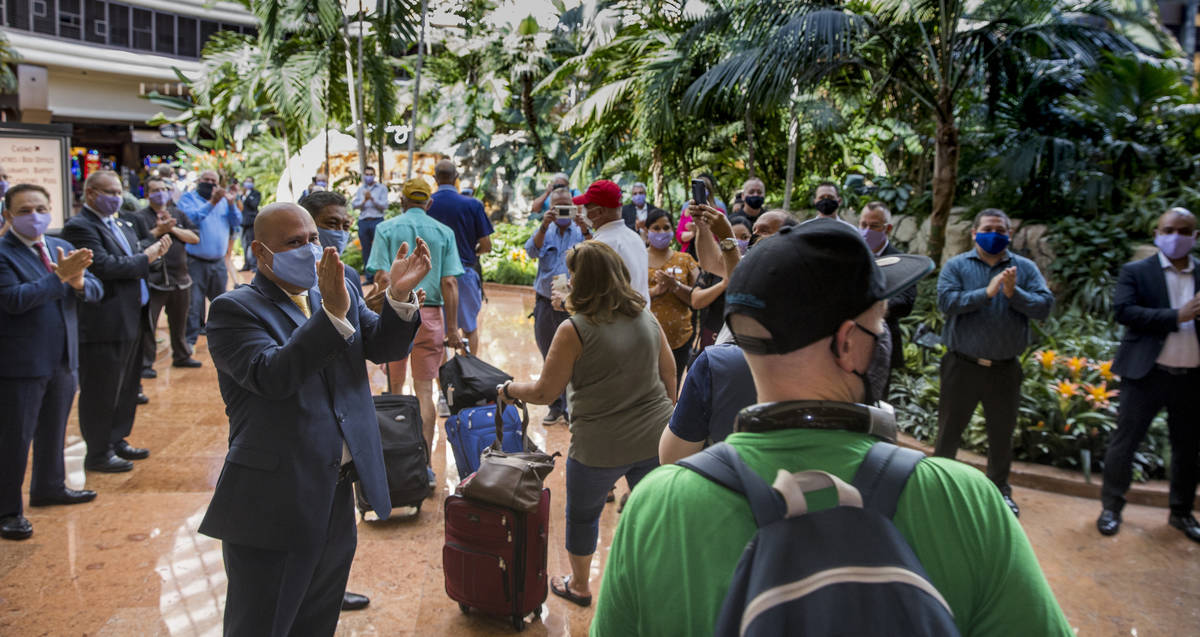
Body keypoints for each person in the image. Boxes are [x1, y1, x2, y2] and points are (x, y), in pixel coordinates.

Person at [591, 219, 1073, 637]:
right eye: (877, 327)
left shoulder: (658, 506)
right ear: (848, 345)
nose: (881, 339)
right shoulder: (965, 501)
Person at [200, 202, 428, 636]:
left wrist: (398, 297)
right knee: (263, 622)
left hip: (335, 489)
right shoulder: (235, 310)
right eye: (295, 242)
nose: (311, 249)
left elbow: (382, 347)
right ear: (262, 253)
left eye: (314, 239)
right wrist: (332, 317)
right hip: (274, 497)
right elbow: (272, 375)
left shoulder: (336, 291)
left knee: (317, 616)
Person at [499, 240, 675, 609]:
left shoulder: (574, 329)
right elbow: (669, 372)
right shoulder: (646, 316)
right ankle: (653, 583)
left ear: (582, 280)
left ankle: (579, 586)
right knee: (653, 514)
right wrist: (663, 416)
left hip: (599, 445)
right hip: (655, 438)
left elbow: (546, 392)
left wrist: (510, 388)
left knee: (583, 516)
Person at [933, 208, 1053, 517]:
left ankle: (1001, 491)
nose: (995, 234)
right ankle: (937, 488)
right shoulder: (957, 266)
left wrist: (1014, 294)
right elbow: (947, 302)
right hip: (962, 365)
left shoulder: (1024, 268)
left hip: (1004, 369)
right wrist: (985, 294)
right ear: (974, 233)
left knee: (1001, 434)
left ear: (1009, 235)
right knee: (948, 432)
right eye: (988, 228)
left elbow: (1043, 307)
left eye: (1002, 229)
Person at [0, 184, 103, 541]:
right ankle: (8, 510)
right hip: (21, 361)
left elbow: (93, 289)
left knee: (54, 429)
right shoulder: (3, 253)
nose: (35, 216)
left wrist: (77, 283)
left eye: (41, 208)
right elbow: (13, 300)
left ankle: (49, 486)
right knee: (14, 438)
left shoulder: (61, 246)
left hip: (63, 356)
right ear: (8, 216)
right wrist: (59, 277)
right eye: (25, 210)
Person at [1097, 208, 1200, 542]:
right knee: (1124, 443)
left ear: (1195, 237)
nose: (1175, 236)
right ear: (1156, 234)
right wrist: (1176, 315)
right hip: (1146, 375)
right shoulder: (1137, 272)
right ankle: (1111, 508)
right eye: (1168, 229)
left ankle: (1181, 513)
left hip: (1191, 379)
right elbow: (1124, 312)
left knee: (1188, 448)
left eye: (1184, 230)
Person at [63, 170, 171, 473]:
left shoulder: (123, 222)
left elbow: (137, 258)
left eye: (118, 191)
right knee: (102, 387)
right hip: (104, 320)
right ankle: (98, 452)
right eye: (109, 192)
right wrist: (147, 257)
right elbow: (106, 267)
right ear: (91, 193)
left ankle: (117, 437)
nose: (117, 197)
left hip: (134, 314)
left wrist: (153, 256)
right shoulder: (80, 227)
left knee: (126, 385)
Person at [367, 178, 464, 484]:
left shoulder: (386, 229)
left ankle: (397, 462)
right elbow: (450, 282)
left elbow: (383, 278)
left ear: (402, 201)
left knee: (396, 391)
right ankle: (424, 465)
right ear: (429, 203)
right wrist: (452, 329)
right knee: (425, 391)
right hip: (431, 315)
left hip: (395, 314)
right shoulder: (444, 232)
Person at [525, 188, 589, 425]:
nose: (562, 211)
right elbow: (530, 251)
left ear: (573, 207)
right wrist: (543, 225)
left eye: (566, 206)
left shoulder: (581, 231)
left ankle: (573, 408)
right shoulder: (546, 230)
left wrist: (585, 228)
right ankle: (555, 406)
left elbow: (596, 253)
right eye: (557, 206)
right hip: (545, 303)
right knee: (549, 356)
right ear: (550, 208)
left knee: (576, 356)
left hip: (574, 304)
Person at [129, 178, 202, 373]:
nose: (160, 193)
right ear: (147, 194)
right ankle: (145, 363)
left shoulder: (178, 214)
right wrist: (158, 231)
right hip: (153, 281)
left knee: (180, 323)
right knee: (149, 324)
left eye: (163, 189)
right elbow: (135, 245)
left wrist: (172, 229)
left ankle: (182, 356)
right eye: (155, 190)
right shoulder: (139, 218)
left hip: (180, 279)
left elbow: (194, 237)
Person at [427, 159, 494, 354]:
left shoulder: (428, 205)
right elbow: (486, 245)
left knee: (436, 331)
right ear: (456, 178)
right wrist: (473, 252)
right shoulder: (473, 205)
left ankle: (442, 380)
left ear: (435, 178)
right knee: (469, 328)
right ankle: (470, 374)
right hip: (464, 274)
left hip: (432, 276)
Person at [859, 201, 917, 396]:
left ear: (888, 228)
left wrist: (870, 305)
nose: (867, 231)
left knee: (876, 402)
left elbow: (906, 303)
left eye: (874, 226)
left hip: (882, 344)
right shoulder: (852, 255)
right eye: (863, 225)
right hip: (850, 343)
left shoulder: (901, 261)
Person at [177, 170, 241, 348]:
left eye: (214, 180)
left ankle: (224, 340)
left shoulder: (224, 201)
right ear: (199, 181)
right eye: (206, 180)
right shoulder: (188, 199)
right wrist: (212, 202)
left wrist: (230, 203)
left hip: (218, 262)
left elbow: (237, 222)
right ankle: (188, 344)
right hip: (195, 261)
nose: (210, 183)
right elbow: (190, 219)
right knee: (193, 304)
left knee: (221, 302)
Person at [645, 208, 699, 387]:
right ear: (646, 231)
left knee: (672, 389)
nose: (661, 232)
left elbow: (698, 298)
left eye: (666, 227)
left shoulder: (685, 260)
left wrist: (675, 286)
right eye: (656, 228)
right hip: (645, 339)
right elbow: (627, 295)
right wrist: (655, 291)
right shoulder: (637, 259)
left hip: (680, 339)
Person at [575, 179, 650, 303]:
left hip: (615, 320)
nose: (583, 211)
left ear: (599, 212)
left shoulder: (602, 245)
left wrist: (565, 300)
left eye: (586, 207)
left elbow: (593, 297)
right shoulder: (634, 237)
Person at [299, 191, 363, 295]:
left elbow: (358, 310)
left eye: (346, 226)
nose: (340, 232)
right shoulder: (293, 275)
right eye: (332, 223)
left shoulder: (349, 275)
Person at [352, 166, 389, 270]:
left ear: (375, 175)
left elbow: (385, 206)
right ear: (363, 176)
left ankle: (380, 274)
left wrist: (372, 199)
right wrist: (364, 200)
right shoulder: (360, 189)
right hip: (363, 221)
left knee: (379, 248)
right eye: (367, 174)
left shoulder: (382, 188)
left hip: (377, 220)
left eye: (371, 174)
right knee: (365, 249)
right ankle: (369, 277)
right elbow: (354, 205)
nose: (369, 177)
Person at [238, 177, 262, 272]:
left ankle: (254, 265)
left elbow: (254, 205)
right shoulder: (241, 195)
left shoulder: (256, 194)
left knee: (252, 244)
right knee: (244, 244)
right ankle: (246, 264)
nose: (248, 183)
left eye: (250, 181)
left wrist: (247, 196)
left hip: (252, 222)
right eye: (246, 181)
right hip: (242, 223)